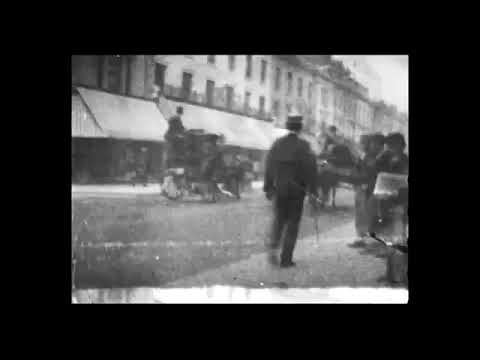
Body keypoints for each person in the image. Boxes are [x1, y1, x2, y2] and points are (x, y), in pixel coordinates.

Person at [263, 114, 319, 267]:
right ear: (300, 128)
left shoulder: (278, 144)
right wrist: (313, 192)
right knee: (292, 225)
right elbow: (311, 170)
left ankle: (273, 249)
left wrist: (268, 187)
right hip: (297, 191)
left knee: (278, 221)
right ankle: (286, 259)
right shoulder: (304, 146)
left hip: (280, 189)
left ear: (287, 127)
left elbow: (269, 166)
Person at [352, 133, 385, 245]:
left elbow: (375, 173)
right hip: (362, 188)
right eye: (374, 143)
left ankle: (370, 239)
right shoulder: (365, 155)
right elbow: (357, 169)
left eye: (379, 144)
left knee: (371, 214)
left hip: (373, 189)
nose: (375, 146)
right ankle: (361, 237)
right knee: (360, 213)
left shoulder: (381, 157)